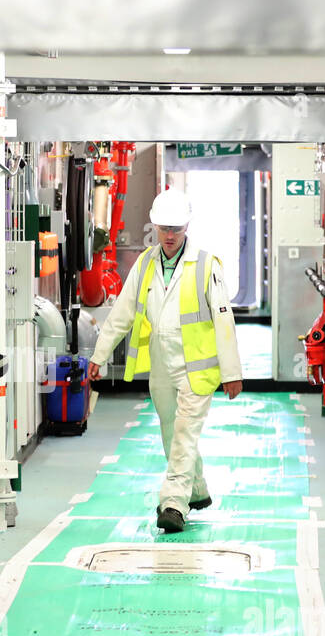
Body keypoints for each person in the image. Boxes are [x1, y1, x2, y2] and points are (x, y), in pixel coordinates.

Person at [88, 187, 243, 532]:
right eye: (164, 229)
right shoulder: (144, 264)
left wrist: (232, 371)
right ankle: (197, 488)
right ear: (155, 227)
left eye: (176, 229)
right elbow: (122, 313)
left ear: (187, 226)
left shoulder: (205, 265)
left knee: (185, 432)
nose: (170, 236)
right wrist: (98, 355)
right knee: (171, 431)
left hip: (197, 369)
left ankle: (173, 504)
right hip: (161, 365)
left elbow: (223, 319)